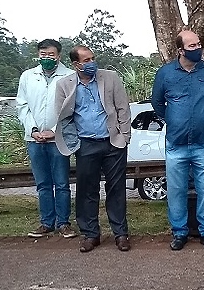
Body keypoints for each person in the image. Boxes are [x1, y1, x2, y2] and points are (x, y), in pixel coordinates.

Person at [151, 29, 204, 252]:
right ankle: (179, 232)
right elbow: (157, 104)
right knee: (176, 190)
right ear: (180, 50)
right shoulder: (165, 74)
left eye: (199, 44)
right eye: (192, 46)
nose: (198, 49)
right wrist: (175, 122)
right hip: (176, 144)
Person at [54, 45, 132, 253]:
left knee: (116, 190)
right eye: (86, 60)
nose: (91, 63)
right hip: (85, 144)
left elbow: (123, 108)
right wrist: (75, 144)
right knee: (86, 191)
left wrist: (124, 136)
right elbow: (63, 118)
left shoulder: (110, 77)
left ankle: (121, 234)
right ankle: (90, 234)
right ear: (76, 64)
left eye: (92, 58)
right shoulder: (64, 85)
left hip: (113, 143)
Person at [16, 39, 77, 239]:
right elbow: (22, 106)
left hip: (58, 139)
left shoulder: (69, 76)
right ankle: (46, 222)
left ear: (58, 55)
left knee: (61, 183)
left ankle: (63, 223)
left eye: (51, 54)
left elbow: (70, 109)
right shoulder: (28, 76)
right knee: (43, 183)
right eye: (43, 54)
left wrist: (53, 130)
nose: (47, 58)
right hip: (34, 139)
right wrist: (33, 129)